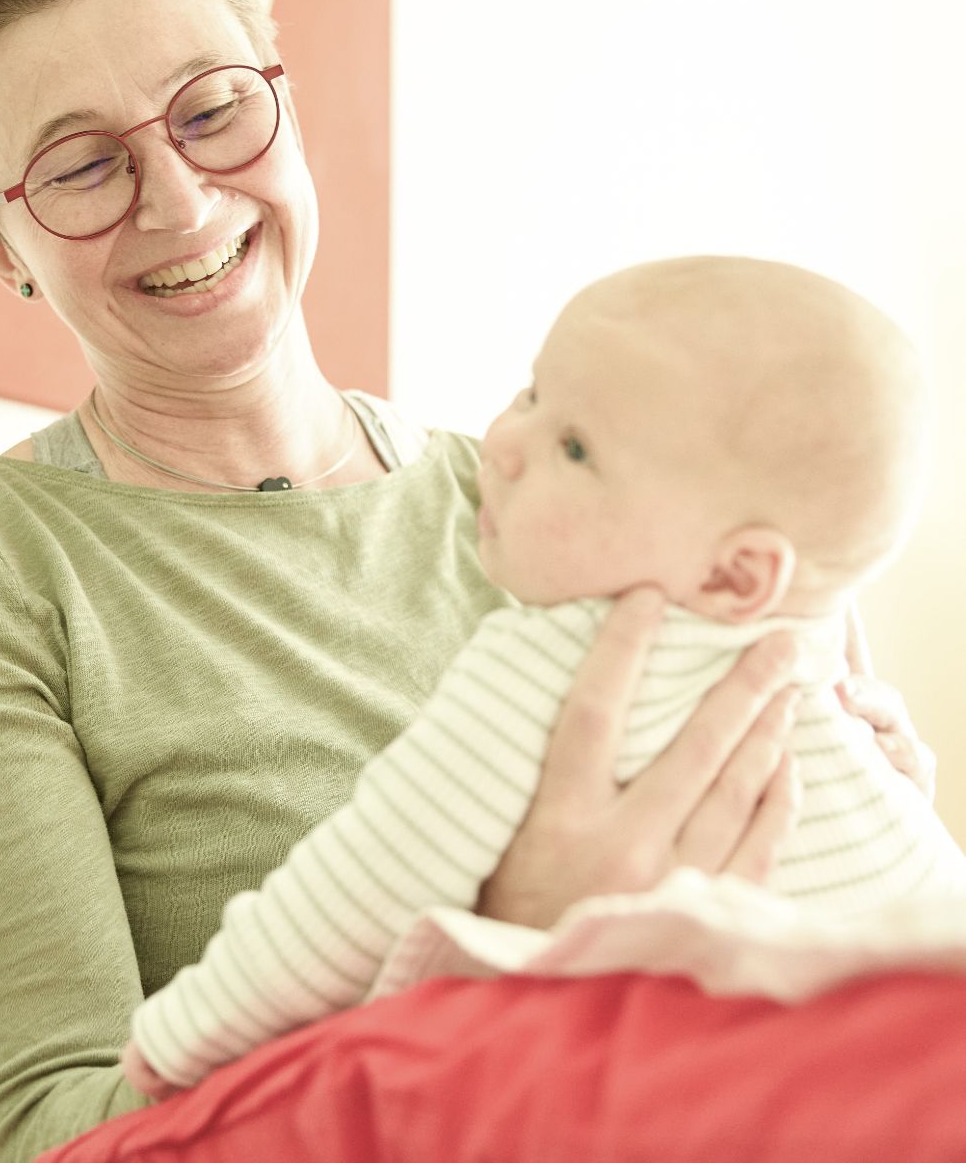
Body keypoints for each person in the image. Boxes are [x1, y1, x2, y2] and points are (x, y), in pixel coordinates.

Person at [0, 0, 930, 1163]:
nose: (179, 201)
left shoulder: (575, 498)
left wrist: (861, 828)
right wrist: (511, 955)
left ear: (281, 103)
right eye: (80, 166)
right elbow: (36, 1147)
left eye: (213, 110)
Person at [122, 255, 964, 1096]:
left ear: (734, 577)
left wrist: (183, 1038)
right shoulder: (815, 665)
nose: (503, 439)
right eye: (532, 393)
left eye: (574, 447)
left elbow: (357, 887)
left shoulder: (551, 662)